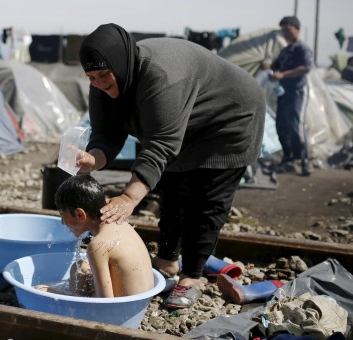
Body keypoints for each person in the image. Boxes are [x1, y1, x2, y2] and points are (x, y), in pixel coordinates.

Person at [76, 23, 265, 309]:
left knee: (205, 200)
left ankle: (191, 278)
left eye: (104, 75)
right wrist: (95, 158)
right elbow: (107, 132)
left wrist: (129, 198)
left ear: (122, 62)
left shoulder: (161, 76)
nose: (99, 83)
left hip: (230, 119)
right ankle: (167, 261)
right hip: (184, 126)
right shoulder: (101, 80)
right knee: (171, 189)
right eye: (92, 77)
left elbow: (160, 145)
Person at [37, 174, 154, 298]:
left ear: (80, 214)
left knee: (41, 290)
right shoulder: (120, 221)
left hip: (121, 311)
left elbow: (104, 303)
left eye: (62, 215)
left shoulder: (98, 246)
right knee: (79, 268)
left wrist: (56, 294)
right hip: (141, 302)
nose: (62, 222)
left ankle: (70, 304)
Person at [269, 16, 313, 176]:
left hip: (297, 92)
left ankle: (304, 160)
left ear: (296, 29)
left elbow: (305, 68)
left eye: (288, 30)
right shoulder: (285, 50)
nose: (285, 34)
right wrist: (270, 69)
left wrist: (283, 75)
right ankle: (288, 158)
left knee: (296, 126)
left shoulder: (302, 48)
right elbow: (275, 66)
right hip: (283, 92)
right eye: (283, 31)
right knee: (281, 126)